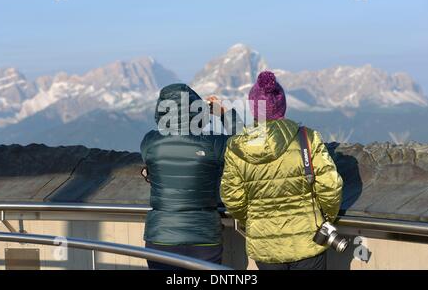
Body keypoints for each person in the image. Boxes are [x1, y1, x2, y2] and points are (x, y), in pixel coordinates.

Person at [220, 71, 343, 270]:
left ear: (254, 109)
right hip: (308, 240)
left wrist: (252, 221)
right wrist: (326, 219)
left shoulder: (236, 147)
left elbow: (232, 197)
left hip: (264, 246)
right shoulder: (307, 138)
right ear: (282, 105)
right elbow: (331, 186)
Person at [140, 83, 242, 270]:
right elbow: (246, 143)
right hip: (203, 237)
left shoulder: (150, 142)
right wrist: (223, 114)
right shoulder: (213, 144)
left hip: (160, 237)